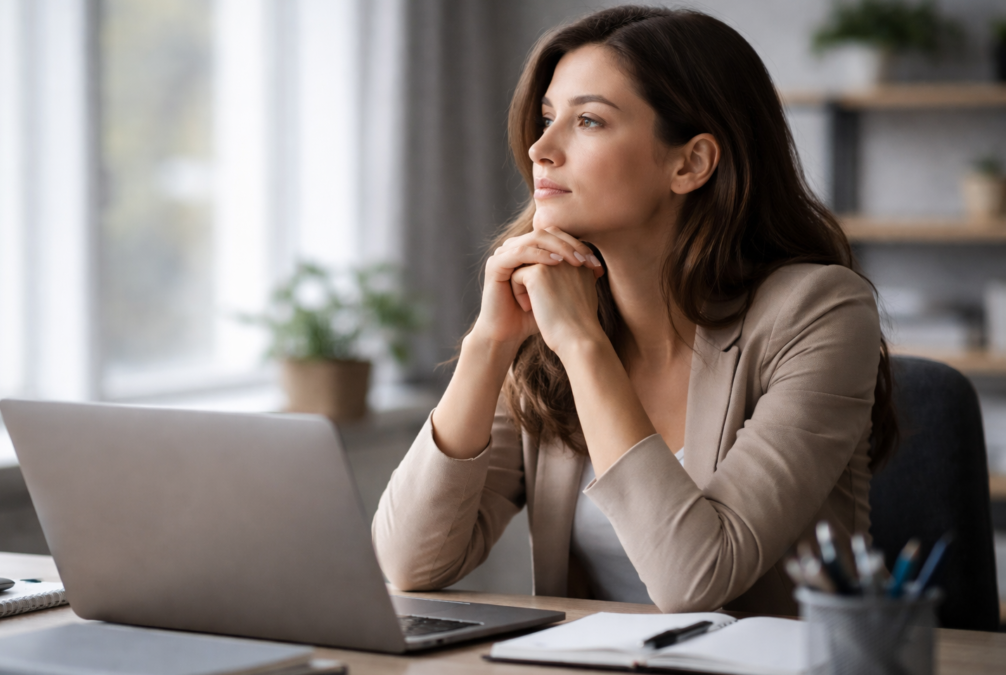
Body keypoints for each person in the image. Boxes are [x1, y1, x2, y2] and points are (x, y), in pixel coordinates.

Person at [372, 5, 897, 615]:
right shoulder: (549, 317)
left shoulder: (819, 313)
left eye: (589, 120)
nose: (541, 148)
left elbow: (696, 580)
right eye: (546, 118)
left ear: (690, 163)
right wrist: (489, 343)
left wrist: (585, 347)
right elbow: (409, 563)